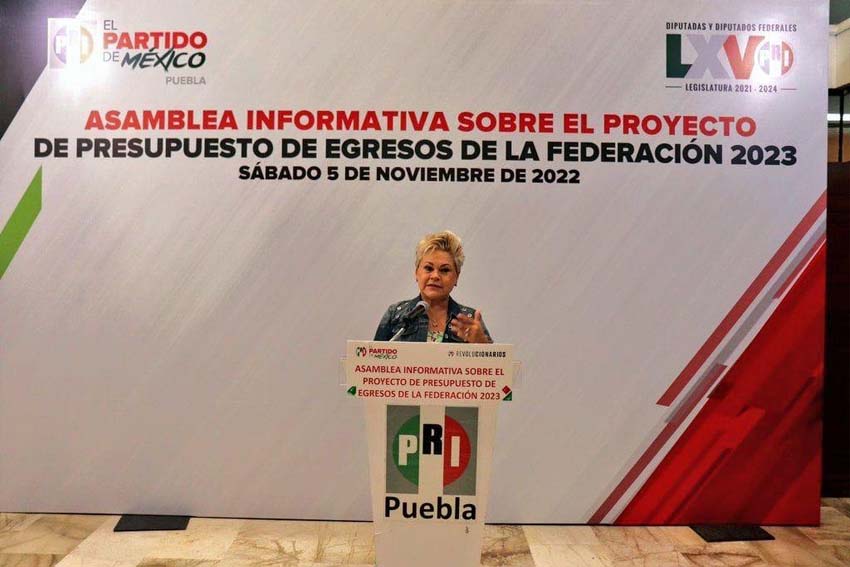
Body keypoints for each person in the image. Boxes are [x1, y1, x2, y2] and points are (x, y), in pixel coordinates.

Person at [374, 230, 492, 343]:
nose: (435, 276)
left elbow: (495, 357)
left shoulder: (470, 320)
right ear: (416, 273)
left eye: (444, 270)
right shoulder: (395, 315)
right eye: (428, 268)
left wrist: (482, 345)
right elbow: (374, 355)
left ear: (457, 277)